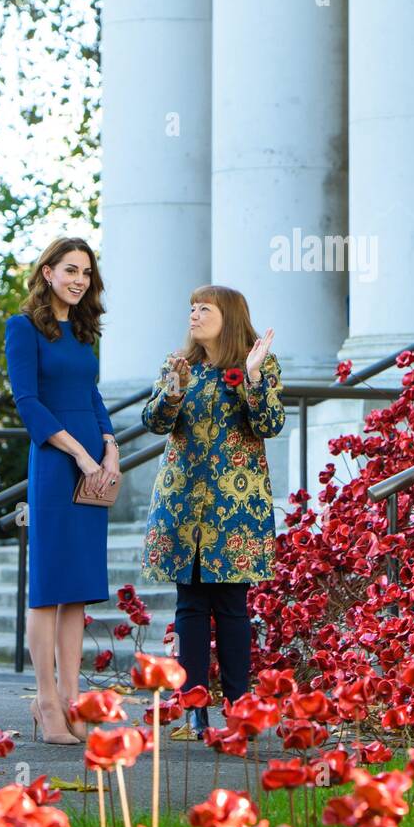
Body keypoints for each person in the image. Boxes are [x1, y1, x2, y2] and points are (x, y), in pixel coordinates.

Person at [141, 285, 284, 738]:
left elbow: (269, 425)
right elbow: (154, 423)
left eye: (205, 307)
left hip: (236, 506)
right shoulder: (177, 365)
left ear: (231, 316)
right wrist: (173, 392)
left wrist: (255, 378)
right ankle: (195, 704)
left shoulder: (256, 363)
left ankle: (239, 705)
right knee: (190, 605)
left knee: (232, 606)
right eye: (191, 307)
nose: (195, 314)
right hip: (182, 501)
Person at [4, 237, 119, 745]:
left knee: (77, 588)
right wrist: (78, 452)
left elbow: (90, 394)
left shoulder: (84, 331)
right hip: (55, 461)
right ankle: (46, 699)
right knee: (49, 585)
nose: (79, 279)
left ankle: (74, 701)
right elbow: (27, 402)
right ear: (47, 272)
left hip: (94, 460)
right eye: (70, 270)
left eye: (87, 273)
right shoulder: (22, 328)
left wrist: (110, 446)